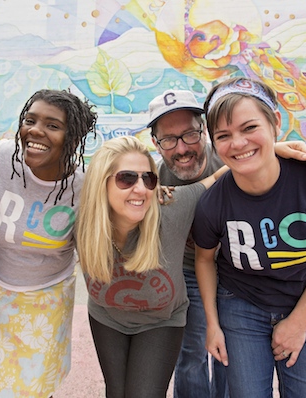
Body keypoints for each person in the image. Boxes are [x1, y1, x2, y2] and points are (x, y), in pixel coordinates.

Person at [146, 89, 306, 398]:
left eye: (189, 134)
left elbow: (254, 155)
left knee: (231, 356)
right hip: (189, 269)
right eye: (168, 139)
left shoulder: (229, 153)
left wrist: (276, 148)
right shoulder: (151, 178)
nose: (181, 148)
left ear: (203, 131)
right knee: (191, 352)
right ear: (156, 143)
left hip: (236, 272)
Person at [193, 77, 306, 397]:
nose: (238, 143)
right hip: (240, 305)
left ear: (275, 123)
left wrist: (299, 322)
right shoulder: (213, 202)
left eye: (249, 127)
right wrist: (212, 324)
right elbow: (204, 259)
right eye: (223, 136)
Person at [0, 89, 97, 396]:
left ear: (73, 137)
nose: (35, 130)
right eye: (30, 120)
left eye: (52, 125)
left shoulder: (83, 186)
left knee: (34, 387)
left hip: (47, 300)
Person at [75, 135, 229, 398]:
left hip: (161, 319)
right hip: (107, 316)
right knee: (116, 392)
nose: (141, 189)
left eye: (148, 179)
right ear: (102, 182)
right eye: (126, 178)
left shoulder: (170, 210)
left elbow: (217, 178)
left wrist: (274, 150)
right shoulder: (80, 222)